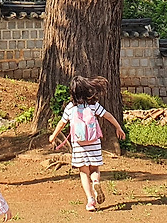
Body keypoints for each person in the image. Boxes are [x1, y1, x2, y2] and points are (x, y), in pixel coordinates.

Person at [48, 76, 126, 211]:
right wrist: (118, 127)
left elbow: (62, 123)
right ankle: (96, 182)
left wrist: (53, 136)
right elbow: (107, 115)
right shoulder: (93, 105)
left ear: (72, 92)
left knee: (84, 172)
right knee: (94, 169)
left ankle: (90, 201)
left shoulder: (70, 107)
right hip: (94, 142)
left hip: (79, 144)